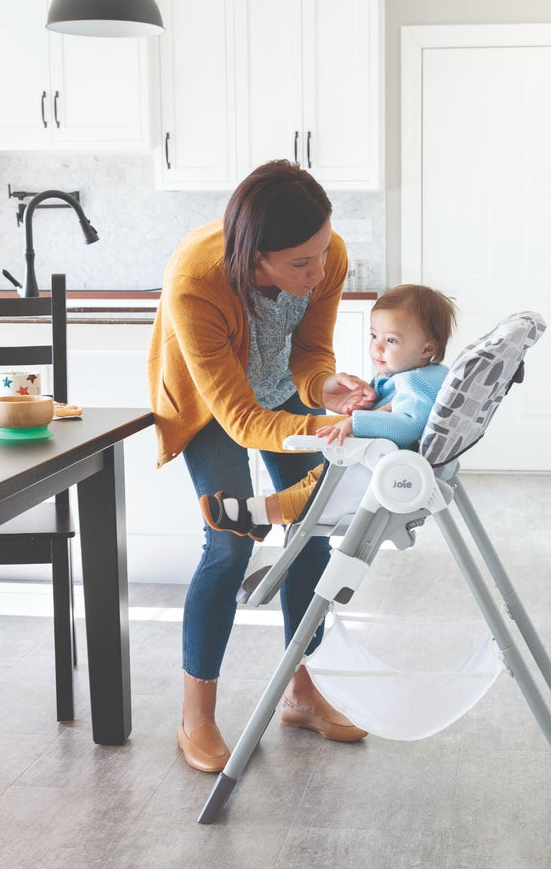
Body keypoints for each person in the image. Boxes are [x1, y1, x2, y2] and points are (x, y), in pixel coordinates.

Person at [148, 159, 377, 774]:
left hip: (279, 390)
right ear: (254, 259)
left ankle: (301, 693)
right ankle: (196, 715)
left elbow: (309, 352)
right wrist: (324, 430)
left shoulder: (324, 257)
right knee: (228, 544)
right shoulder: (196, 281)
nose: (320, 270)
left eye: (323, 252)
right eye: (301, 263)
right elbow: (241, 420)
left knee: (313, 536)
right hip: (210, 403)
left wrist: (323, 386)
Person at [200, 284, 458, 537]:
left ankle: (252, 514)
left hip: (375, 470)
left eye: (391, 340)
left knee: (319, 493)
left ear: (427, 348)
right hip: (369, 461)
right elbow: (394, 410)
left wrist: (355, 422)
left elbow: (409, 425)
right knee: (316, 479)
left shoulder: (417, 380)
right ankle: (256, 516)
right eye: (374, 336)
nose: (377, 348)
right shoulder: (411, 376)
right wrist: (366, 405)